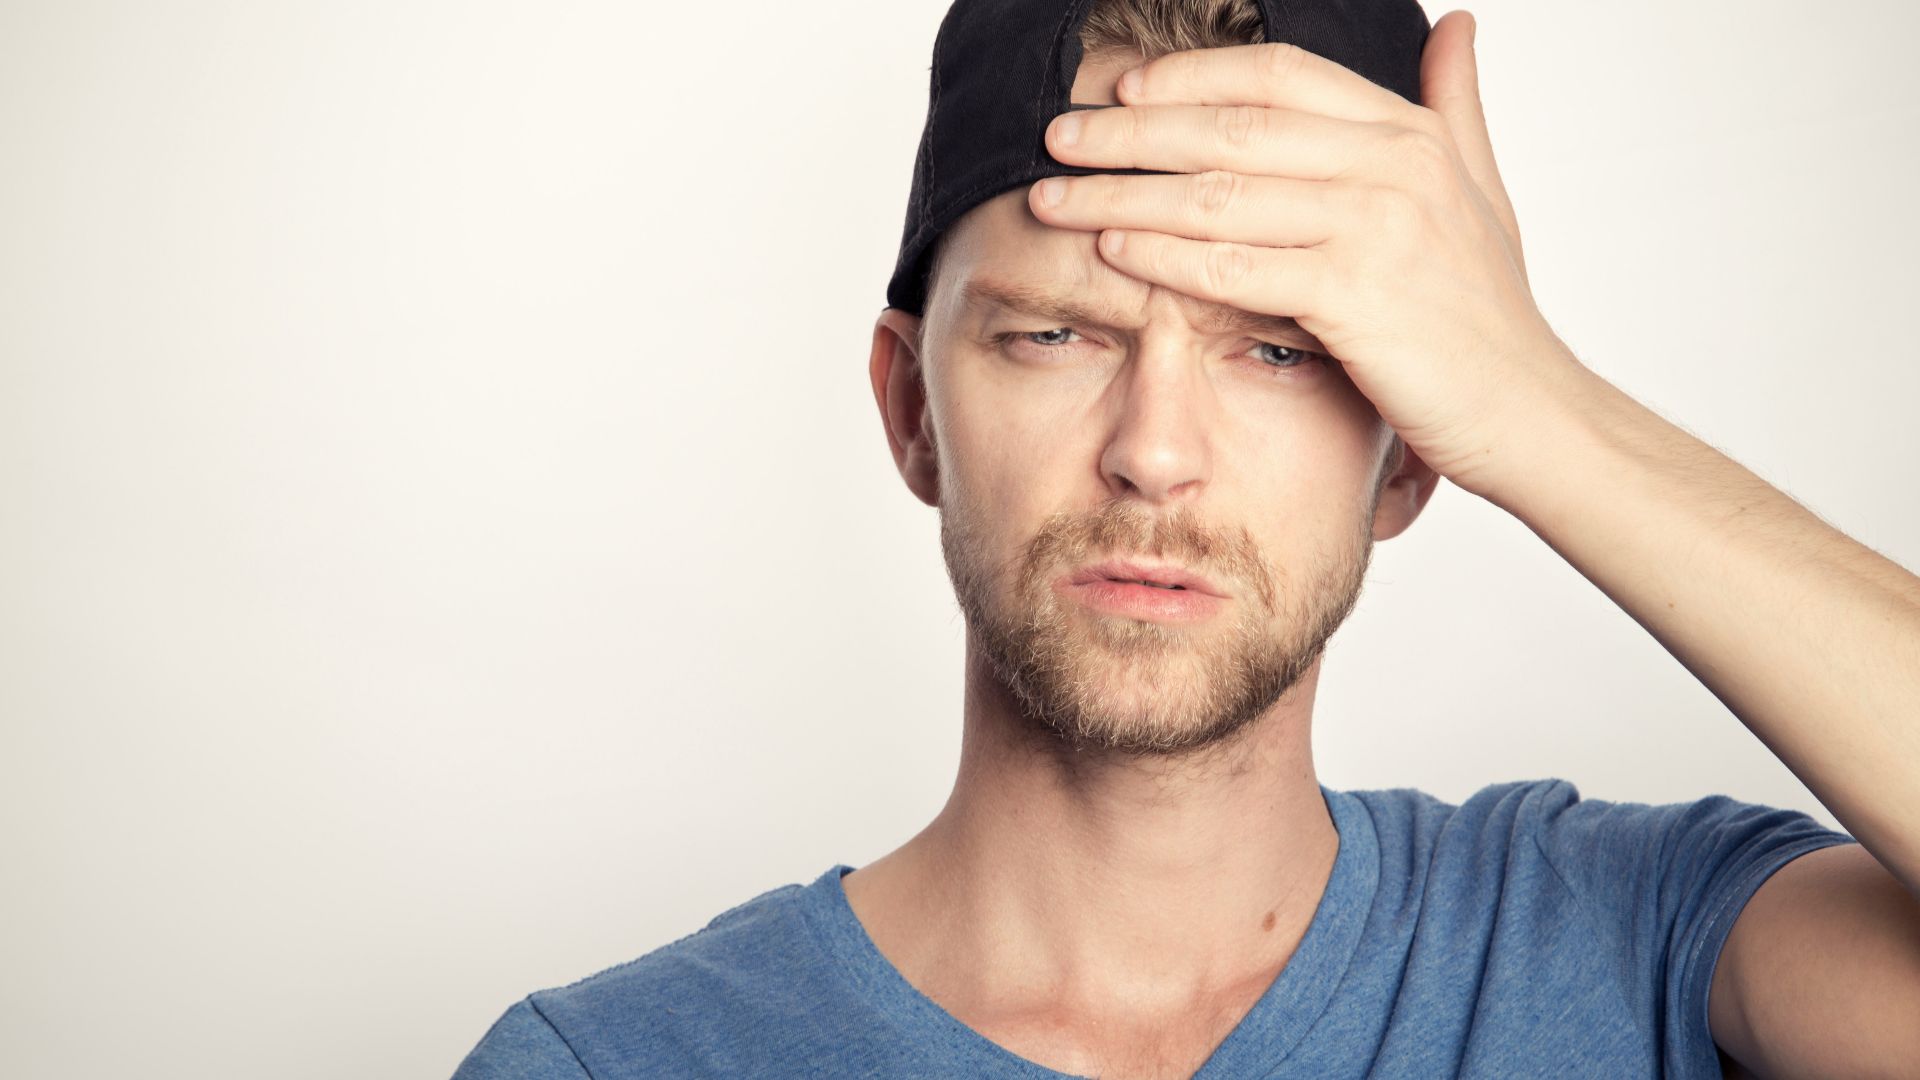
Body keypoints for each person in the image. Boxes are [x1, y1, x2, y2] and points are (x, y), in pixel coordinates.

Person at [449, 1, 1920, 1077]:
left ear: (1410, 455)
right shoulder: (611, 1064)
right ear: (911, 412)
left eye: (1277, 353)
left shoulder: (1638, 941)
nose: (1153, 450)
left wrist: (1544, 409)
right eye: (1051, 333)